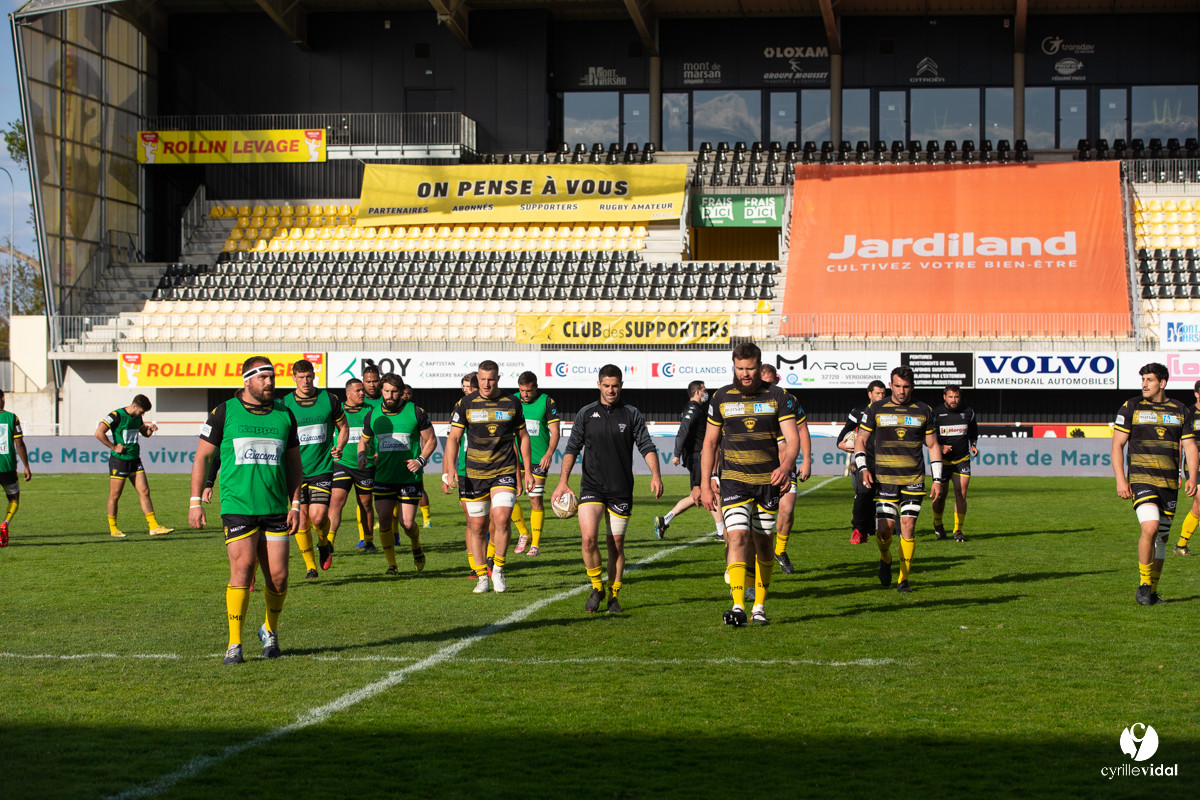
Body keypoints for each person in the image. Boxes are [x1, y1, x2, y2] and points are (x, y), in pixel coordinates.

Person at [188, 356, 302, 664]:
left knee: (278, 578)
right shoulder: (223, 412)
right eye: (263, 377)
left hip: (276, 508)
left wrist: (295, 504)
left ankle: (269, 630)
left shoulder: (285, 414)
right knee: (242, 569)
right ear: (247, 380)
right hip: (238, 506)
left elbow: (294, 463)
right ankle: (234, 644)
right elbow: (202, 458)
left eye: (272, 376)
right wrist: (195, 501)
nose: (270, 382)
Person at [699, 343, 800, 626]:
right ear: (734, 366)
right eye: (740, 368)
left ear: (759, 366)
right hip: (734, 481)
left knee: (764, 543)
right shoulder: (721, 397)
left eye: (750, 368)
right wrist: (705, 483)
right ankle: (738, 605)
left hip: (768, 482)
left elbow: (793, 439)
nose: (745, 374)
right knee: (737, 537)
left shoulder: (778, 396)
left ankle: (759, 606)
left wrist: (785, 467)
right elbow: (709, 443)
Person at [552, 365, 663, 613]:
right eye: (606, 385)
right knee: (588, 539)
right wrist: (562, 481)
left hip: (621, 489)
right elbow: (571, 449)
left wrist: (656, 475)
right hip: (592, 486)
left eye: (615, 386)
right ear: (599, 385)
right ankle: (596, 587)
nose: (611, 390)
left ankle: (613, 596)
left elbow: (646, 446)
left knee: (616, 545)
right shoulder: (586, 413)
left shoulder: (631, 414)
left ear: (621, 386)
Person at [1111, 362, 1198, 605]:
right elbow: (1117, 445)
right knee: (1150, 528)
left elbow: (1190, 446)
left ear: (1162, 382)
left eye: (1149, 380)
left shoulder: (1180, 409)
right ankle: (1144, 584)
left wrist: (1191, 476)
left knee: (1162, 539)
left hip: (1168, 484)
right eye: (1143, 380)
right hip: (1141, 479)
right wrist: (1120, 479)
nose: (1144, 384)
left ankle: (1152, 592)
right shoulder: (1131, 406)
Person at [443, 360, 533, 593]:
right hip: (474, 473)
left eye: (490, 379)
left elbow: (523, 436)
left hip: (504, 470)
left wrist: (527, 471)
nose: (486, 383)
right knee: (477, 526)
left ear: (498, 378)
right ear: (478, 379)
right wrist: (450, 468)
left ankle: (499, 569)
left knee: (502, 518)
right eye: (482, 379)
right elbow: (453, 438)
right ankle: (482, 575)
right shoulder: (465, 404)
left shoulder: (512, 402)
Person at [853, 366, 944, 594]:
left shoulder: (924, 410)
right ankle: (885, 558)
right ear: (890, 385)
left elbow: (933, 445)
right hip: (885, 479)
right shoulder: (876, 409)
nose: (902, 391)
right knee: (884, 531)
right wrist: (863, 468)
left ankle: (904, 580)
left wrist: (938, 478)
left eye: (906, 386)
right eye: (898, 386)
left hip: (914, 477)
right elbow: (861, 439)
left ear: (912, 387)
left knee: (908, 526)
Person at [282, 358, 349, 578]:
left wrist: (340, 446)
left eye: (309, 376)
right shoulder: (285, 404)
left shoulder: (329, 399)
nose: (306, 381)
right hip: (295, 472)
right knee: (301, 519)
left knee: (318, 517)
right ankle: (310, 567)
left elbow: (343, 427)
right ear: (294, 378)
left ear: (314, 376)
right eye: (301, 377)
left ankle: (323, 542)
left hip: (322, 468)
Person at [374, 373, 437, 575]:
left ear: (401, 392)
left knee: (407, 524)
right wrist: (361, 455)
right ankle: (392, 565)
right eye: (386, 391)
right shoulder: (373, 414)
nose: (390, 395)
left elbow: (432, 440)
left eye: (394, 392)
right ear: (381, 391)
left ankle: (416, 545)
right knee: (384, 520)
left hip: (409, 477)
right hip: (383, 477)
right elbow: (364, 441)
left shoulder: (416, 412)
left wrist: (421, 460)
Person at [654, 381, 725, 542]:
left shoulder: (698, 409)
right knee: (711, 491)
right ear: (698, 392)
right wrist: (677, 454)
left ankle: (664, 520)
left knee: (698, 495)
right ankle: (721, 531)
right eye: (704, 390)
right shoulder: (693, 409)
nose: (706, 393)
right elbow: (683, 431)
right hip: (698, 457)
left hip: (698, 457)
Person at [95, 394, 173, 538]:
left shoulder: (137, 418)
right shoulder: (116, 415)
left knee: (145, 491)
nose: (142, 415)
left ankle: (153, 526)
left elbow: (145, 433)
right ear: (134, 406)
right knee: (115, 495)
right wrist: (113, 447)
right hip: (120, 461)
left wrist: (150, 429)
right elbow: (99, 433)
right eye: (142, 411)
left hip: (135, 460)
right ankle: (114, 529)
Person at [760, 364, 811, 574]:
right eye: (765, 383)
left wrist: (806, 460)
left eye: (772, 382)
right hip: (758, 468)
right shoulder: (749, 401)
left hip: (786, 467)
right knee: (757, 519)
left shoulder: (788, 399)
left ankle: (780, 551)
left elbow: (802, 429)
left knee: (787, 509)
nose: (769, 387)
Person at [329, 378, 376, 563]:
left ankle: (369, 541)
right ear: (348, 394)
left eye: (363, 390)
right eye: (358, 390)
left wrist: (377, 453)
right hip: (342, 464)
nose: (362, 393)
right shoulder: (337, 410)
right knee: (336, 501)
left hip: (365, 465)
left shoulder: (371, 411)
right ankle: (329, 541)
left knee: (365, 504)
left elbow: (378, 434)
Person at [514, 371, 560, 556]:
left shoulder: (547, 401)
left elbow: (555, 431)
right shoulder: (512, 400)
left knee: (535, 499)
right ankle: (523, 533)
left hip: (538, 459)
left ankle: (535, 544)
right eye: (522, 390)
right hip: (515, 459)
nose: (525, 394)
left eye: (529, 391)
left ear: (536, 388)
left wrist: (549, 453)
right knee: (509, 497)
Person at [837, 380, 887, 544]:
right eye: (878, 393)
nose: (881, 396)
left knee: (884, 495)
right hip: (865, 459)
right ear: (869, 394)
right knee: (864, 492)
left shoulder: (890, 411)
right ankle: (858, 530)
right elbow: (845, 431)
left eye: (883, 393)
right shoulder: (859, 411)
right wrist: (841, 444)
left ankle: (873, 528)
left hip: (887, 460)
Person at [930, 385, 979, 542]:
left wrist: (973, 445)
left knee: (961, 493)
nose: (954, 400)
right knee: (940, 496)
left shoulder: (968, 412)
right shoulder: (935, 413)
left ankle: (958, 530)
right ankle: (938, 524)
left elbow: (973, 431)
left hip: (962, 459)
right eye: (950, 397)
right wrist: (940, 447)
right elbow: (927, 437)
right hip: (942, 462)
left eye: (956, 397)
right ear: (944, 397)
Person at [354, 364, 384, 552]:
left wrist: (381, 451)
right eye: (368, 381)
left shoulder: (386, 399)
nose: (372, 385)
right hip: (365, 459)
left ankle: (394, 535)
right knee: (363, 500)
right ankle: (363, 538)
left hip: (384, 458)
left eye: (375, 381)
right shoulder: (358, 400)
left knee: (387, 499)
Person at [0, 389, 32, 546]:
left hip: (7, 467)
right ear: (2, 398)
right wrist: (26, 466)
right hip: (7, 467)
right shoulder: (12, 417)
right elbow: (19, 443)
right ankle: (5, 523)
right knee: (13, 498)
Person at [401, 384, 434, 529]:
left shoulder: (416, 412)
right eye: (403, 393)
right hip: (395, 459)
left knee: (420, 488)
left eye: (408, 393)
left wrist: (422, 457)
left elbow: (427, 437)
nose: (405, 396)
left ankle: (427, 519)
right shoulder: (391, 412)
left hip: (414, 459)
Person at [1174, 378, 1200, 556]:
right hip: (1194, 468)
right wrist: (1177, 471)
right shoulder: (1189, 414)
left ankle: (1181, 546)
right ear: (1197, 394)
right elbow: (1180, 444)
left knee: (1197, 508)